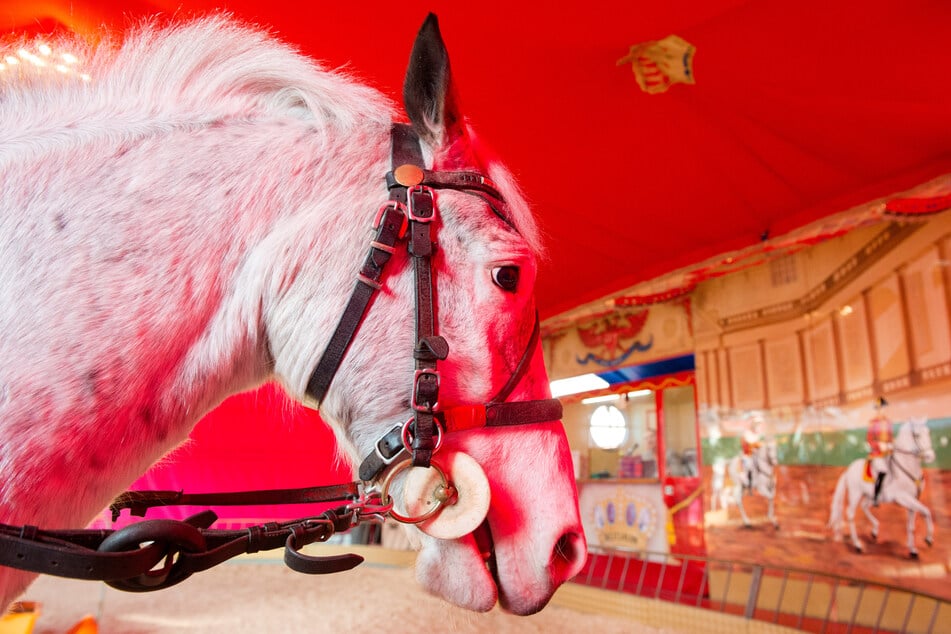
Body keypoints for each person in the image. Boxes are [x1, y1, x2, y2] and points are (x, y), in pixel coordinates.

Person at [867, 396, 893, 506]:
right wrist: (878, 445)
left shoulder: (888, 422)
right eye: (880, 408)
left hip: (889, 452)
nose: (882, 410)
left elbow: (890, 436)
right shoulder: (872, 422)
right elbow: (869, 439)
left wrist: (891, 443)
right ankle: (875, 497)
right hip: (877, 454)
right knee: (883, 472)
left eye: (883, 408)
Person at [740, 415, 765, 492]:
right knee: (748, 467)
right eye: (757, 425)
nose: (758, 427)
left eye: (759, 425)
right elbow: (748, 444)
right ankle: (747, 483)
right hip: (748, 455)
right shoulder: (747, 434)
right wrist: (756, 445)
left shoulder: (758, 435)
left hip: (756, 455)